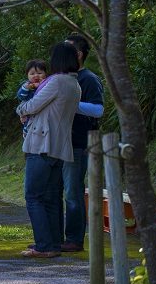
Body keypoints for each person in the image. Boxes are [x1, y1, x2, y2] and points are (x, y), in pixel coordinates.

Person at [17, 42, 81, 258]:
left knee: (34, 196)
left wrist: (20, 109)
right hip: (60, 148)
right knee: (52, 198)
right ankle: (53, 244)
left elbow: (32, 106)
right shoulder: (75, 84)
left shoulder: (55, 82)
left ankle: (44, 245)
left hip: (42, 145)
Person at [62, 34, 104, 252]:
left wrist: (71, 104)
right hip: (60, 143)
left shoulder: (88, 78)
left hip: (78, 144)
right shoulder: (61, 77)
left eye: (67, 49)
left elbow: (98, 109)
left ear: (78, 54)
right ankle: (56, 237)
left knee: (73, 192)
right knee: (61, 191)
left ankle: (74, 239)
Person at [17, 59, 48, 138]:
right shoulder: (27, 86)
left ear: (45, 73)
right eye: (32, 74)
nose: (36, 76)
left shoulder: (48, 84)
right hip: (29, 118)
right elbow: (20, 96)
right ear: (27, 75)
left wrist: (42, 85)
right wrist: (29, 87)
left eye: (39, 73)